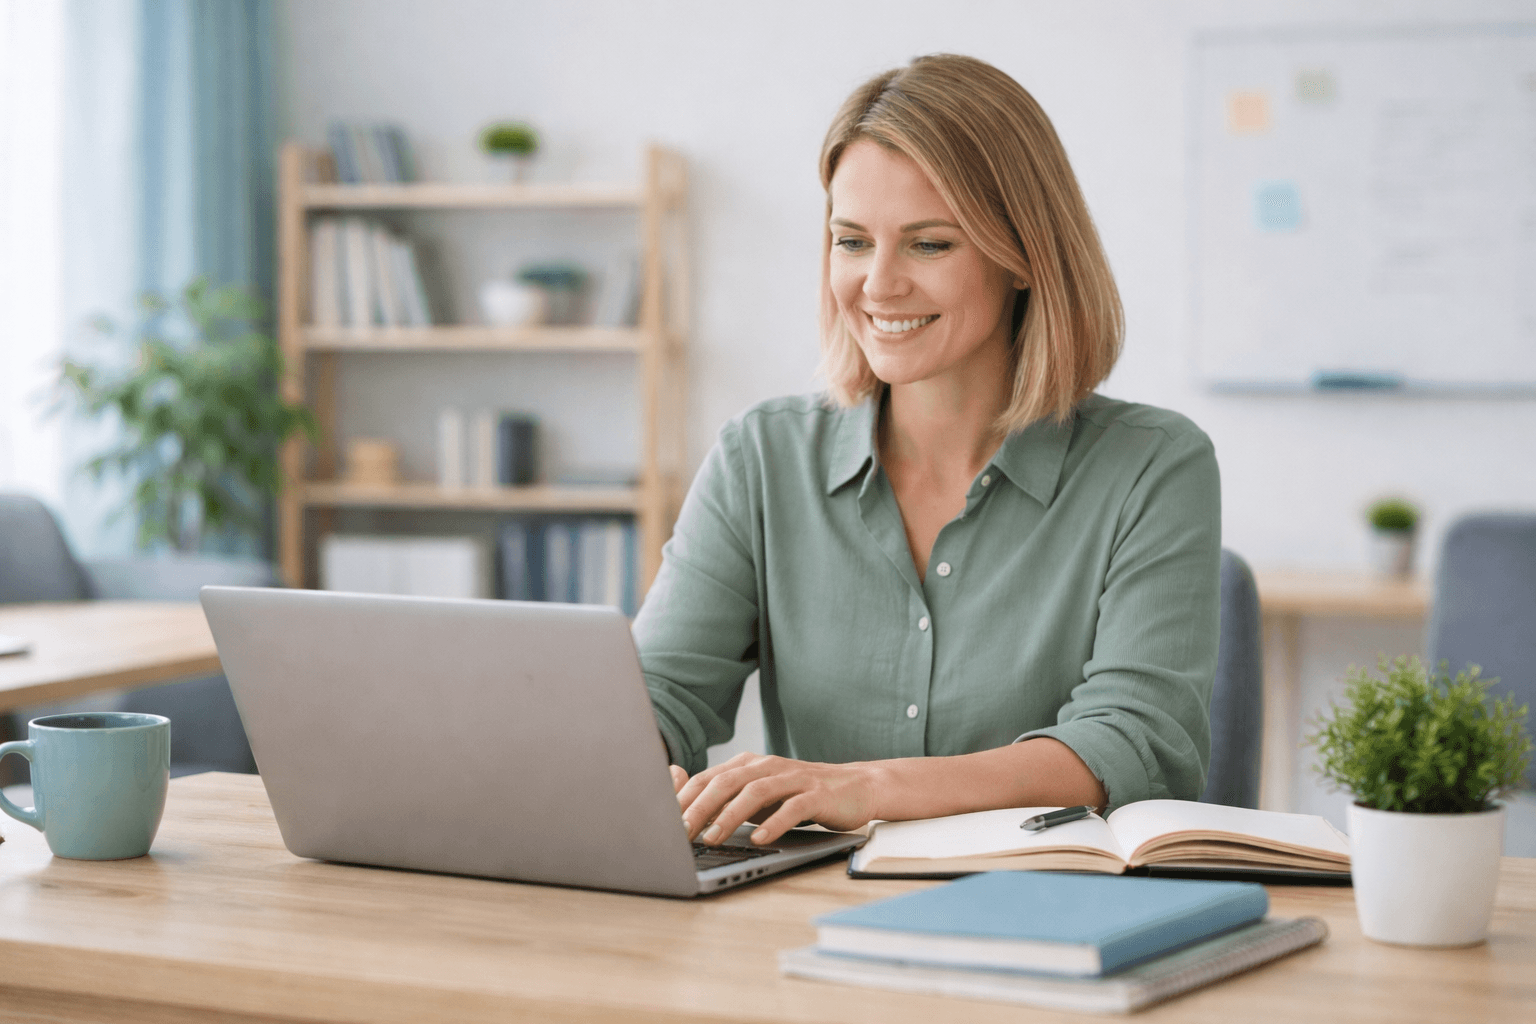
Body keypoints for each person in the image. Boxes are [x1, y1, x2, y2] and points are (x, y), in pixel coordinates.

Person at [633, 54, 1220, 849]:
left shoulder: (1154, 467)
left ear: (1022, 254)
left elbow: (1132, 740)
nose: (877, 285)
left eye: (929, 245)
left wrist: (866, 786)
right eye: (851, 241)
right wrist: (629, 756)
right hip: (801, 919)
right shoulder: (760, 458)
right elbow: (661, 691)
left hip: (1046, 918)